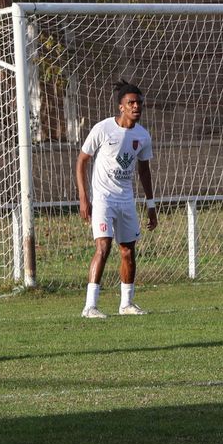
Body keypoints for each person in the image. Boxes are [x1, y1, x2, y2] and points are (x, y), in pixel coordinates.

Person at [76, 79, 157, 318]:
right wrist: (83, 197)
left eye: (139, 103)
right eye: (131, 103)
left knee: (128, 251)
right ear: (121, 106)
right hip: (102, 198)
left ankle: (127, 304)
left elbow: (144, 171)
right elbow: (81, 161)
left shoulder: (142, 136)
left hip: (126, 199)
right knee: (103, 247)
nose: (136, 107)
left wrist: (150, 205)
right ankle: (90, 306)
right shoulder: (103, 128)